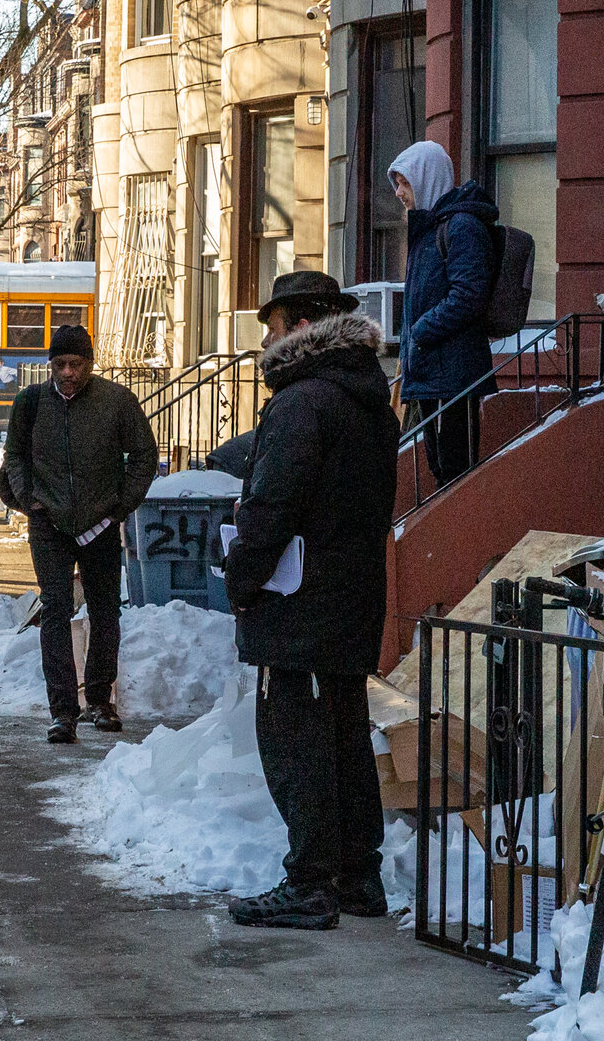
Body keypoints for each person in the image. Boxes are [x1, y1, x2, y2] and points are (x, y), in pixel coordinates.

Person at [224, 271, 399, 931]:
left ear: (298, 327)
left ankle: (310, 882)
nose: (265, 340)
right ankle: (358, 876)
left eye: (271, 326)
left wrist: (241, 575)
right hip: (353, 595)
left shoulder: (301, 403)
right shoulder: (368, 398)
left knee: (296, 743)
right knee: (346, 736)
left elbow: (272, 505)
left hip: (298, 603)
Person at [2, 323, 156, 743]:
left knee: (105, 609)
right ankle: (62, 712)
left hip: (101, 523)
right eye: (60, 363)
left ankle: (101, 701)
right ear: (50, 364)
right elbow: (14, 455)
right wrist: (28, 497)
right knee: (55, 609)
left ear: (90, 363)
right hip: (49, 524)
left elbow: (144, 455)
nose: (68, 372)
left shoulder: (116, 402)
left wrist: (121, 504)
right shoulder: (31, 402)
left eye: (76, 363)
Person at [389, 138, 496, 488]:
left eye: (404, 183)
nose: (399, 193)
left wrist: (420, 332)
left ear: (425, 178)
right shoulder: (428, 230)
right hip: (432, 374)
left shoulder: (462, 226)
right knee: (440, 472)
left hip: (455, 376)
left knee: (456, 472)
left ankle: (464, 543)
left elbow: (469, 294)